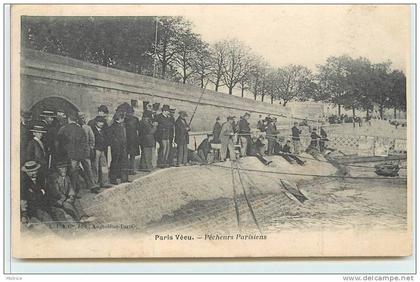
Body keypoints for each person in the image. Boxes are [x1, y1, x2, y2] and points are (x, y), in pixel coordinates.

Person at [57, 112, 97, 194]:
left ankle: (74, 191)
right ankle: (92, 186)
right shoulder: (81, 129)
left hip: (71, 155)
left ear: (69, 119)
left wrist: (62, 153)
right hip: (83, 154)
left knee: (73, 173)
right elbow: (85, 142)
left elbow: (59, 142)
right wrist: (85, 153)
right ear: (76, 120)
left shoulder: (63, 129)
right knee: (88, 170)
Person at [108, 111, 129, 184]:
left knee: (122, 162)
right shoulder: (113, 127)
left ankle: (123, 178)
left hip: (122, 147)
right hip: (116, 148)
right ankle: (113, 179)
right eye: (123, 118)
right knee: (115, 163)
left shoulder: (121, 126)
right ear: (120, 118)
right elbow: (111, 138)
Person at [91, 116, 111, 188]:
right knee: (95, 167)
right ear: (96, 122)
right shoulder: (93, 130)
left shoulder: (103, 131)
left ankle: (104, 182)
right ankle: (95, 183)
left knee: (104, 166)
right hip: (96, 150)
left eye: (102, 122)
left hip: (102, 150)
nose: (101, 124)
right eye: (100, 122)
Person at [125, 106, 140, 174]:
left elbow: (138, 128)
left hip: (132, 139)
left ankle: (131, 170)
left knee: (131, 156)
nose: (129, 114)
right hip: (129, 139)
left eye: (130, 112)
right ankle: (129, 170)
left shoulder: (135, 119)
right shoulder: (126, 119)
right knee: (129, 156)